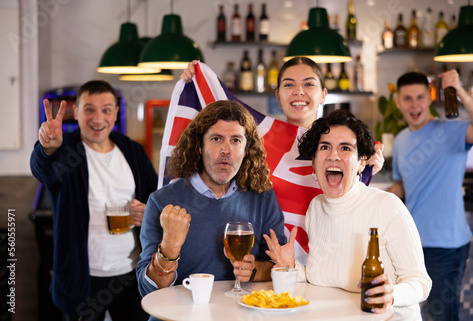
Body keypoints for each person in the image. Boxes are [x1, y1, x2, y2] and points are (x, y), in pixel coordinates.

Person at [180, 58, 384, 262]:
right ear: (278, 95)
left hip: (327, 262)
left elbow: (350, 206)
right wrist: (196, 82)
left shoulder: (343, 151)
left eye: (309, 83)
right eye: (289, 84)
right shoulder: (253, 141)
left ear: (323, 95)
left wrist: (364, 168)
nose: (298, 91)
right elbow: (214, 175)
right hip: (263, 261)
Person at [264, 109, 432, 320]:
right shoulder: (316, 208)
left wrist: (392, 294)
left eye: (345, 148)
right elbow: (324, 276)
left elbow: (420, 282)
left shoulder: (386, 206)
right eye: (325, 147)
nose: (334, 155)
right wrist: (292, 268)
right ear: (314, 163)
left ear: (362, 162)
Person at [136, 101, 286, 307]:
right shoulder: (162, 201)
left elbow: (281, 267)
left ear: (246, 149)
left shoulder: (262, 196)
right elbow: (149, 290)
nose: (226, 150)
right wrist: (169, 247)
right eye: (216, 139)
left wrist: (254, 270)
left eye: (235, 140)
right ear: (199, 146)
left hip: (241, 315)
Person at [30, 80, 157, 321]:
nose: (98, 119)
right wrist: (47, 148)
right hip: (82, 277)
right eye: (89, 109)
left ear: (116, 113)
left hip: (131, 273)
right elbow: (43, 171)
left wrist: (148, 211)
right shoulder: (66, 151)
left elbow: (155, 197)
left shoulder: (131, 151)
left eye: (106, 110)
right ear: (76, 112)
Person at [387, 71, 473, 321]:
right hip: (411, 243)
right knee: (414, 313)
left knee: (441, 316)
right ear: (397, 101)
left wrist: (458, 90)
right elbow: (405, 185)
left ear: (429, 98)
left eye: (420, 97)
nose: (414, 105)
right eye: (407, 98)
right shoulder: (402, 139)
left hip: (445, 245)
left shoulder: (451, 130)